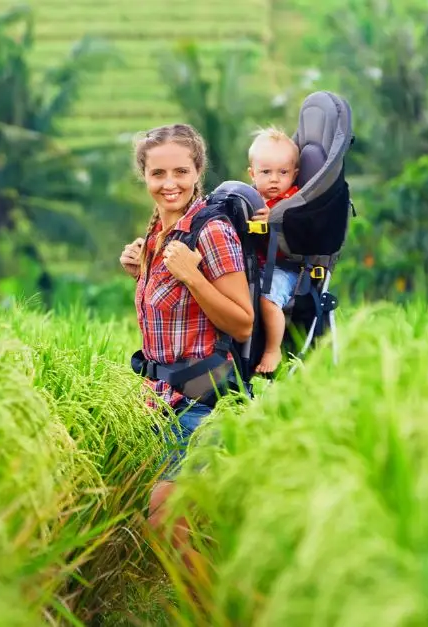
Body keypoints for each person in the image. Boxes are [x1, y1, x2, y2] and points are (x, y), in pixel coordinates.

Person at [117, 123, 254, 586]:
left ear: (198, 172)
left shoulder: (210, 231)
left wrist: (194, 276)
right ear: (145, 176)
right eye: (158, 173)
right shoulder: (157, 230)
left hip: (203, 404)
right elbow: (170, 318)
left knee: (166, 526)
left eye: (181, 170)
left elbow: (242, 321)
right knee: (170, 530)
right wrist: (141, 271)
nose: (169, 182)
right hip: (158, 404)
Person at [245, 126, 301, 374]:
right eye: (266, 172)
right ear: (252, 174)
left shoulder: (294, 201)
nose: (274, 179)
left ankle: (272, 349)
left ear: (295, 174)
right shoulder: (251, 198)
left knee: (267, 300)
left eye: (283, 172)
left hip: (286, 267)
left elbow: (302, 228)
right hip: (256, 263)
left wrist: (278, 217)